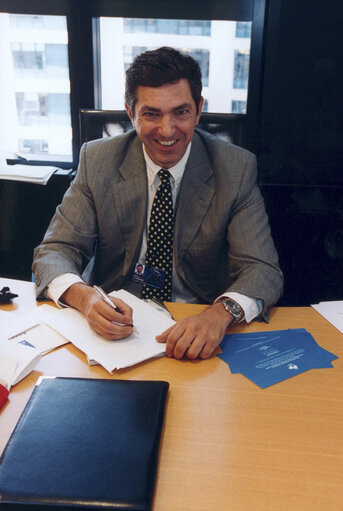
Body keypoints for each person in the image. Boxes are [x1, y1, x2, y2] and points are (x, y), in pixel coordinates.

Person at [32, 46, 283, 360]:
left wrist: (219, 315)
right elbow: (54, 251)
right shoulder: (98, 160)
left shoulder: (235, 168)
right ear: (130, 113)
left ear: (199, 109)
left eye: (181, 112)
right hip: (114, 328)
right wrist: (85, 298)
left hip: (195, 323)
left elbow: (262, 270)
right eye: (151, 113)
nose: (167, 131)